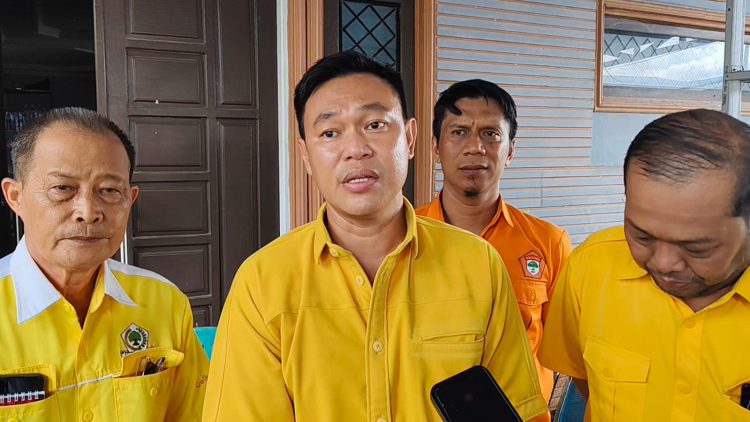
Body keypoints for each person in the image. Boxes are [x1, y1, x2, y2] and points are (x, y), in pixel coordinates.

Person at [203, 51, 547, 421]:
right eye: (330, 133)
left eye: (375, 125)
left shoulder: (479, 265)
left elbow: (518, 411)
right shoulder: (262, 283)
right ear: (305, 156)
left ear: (410, 139)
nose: (356, 150)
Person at [539, 109, 750, 421]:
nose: (664, 263)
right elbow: (585, 380)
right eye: (642, 235)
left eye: (696, 247)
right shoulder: (592, 267)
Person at [0, 107, 209, 421]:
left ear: (130, 200)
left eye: (110, 191)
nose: (88, 212)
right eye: (63, 188)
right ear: (15, 197)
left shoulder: (164, 302)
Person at [416, 80, 572, 414]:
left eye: (490, 134)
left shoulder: (548, 242)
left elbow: (566, 355)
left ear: (510, 150)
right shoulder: (403, 238)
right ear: (435, 147)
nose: (475, 147)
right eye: (459, 132)